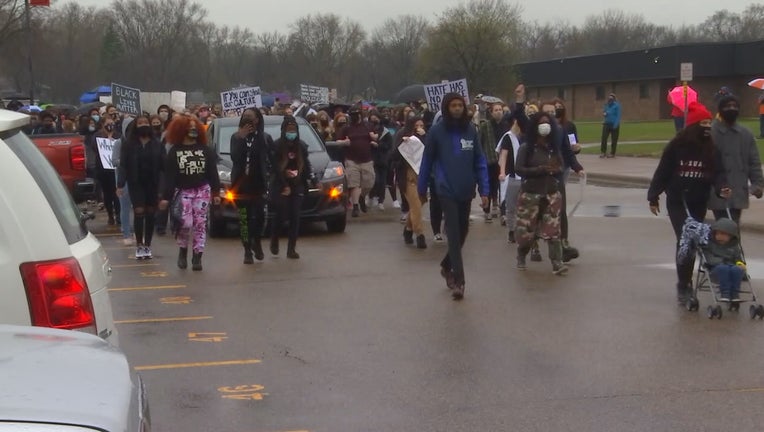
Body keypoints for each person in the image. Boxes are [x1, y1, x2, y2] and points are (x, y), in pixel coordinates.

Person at [647, 101, 730, 303]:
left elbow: (719, 173)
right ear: (693, 125)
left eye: (710, 123)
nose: (707, 128)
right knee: (686, 237)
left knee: (692, 241)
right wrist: (653, 195)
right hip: (678, 201)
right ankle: (683, 284)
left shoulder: (711, 149)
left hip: (697, 201)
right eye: (703, 123)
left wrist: (722, 188)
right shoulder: (676, 146)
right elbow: (663, 172)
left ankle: (687, 280)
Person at [418, 93, 489, 301]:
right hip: (445, 189)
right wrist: (422, 189)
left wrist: (485, 190)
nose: (457, 109)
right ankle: (459, 281)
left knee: (464, 231)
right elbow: (427, 161)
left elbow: (480, 161)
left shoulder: (471, 130)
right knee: (454, 233)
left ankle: (446, 264)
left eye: (460, 105)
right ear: (446, 108)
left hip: (466, 189)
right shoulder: (436, 132)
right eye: (453, 105)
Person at [161, 116, 221, 271]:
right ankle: (183, 251)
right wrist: (166, 197)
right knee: (185, 223)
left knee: (200, 224)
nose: (193, 130)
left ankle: (197, 256)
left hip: (202, 190)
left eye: (195, 127)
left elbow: (212, 172)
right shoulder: (174, 151)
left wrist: (216, 192)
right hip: (182, 191)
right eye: (189, 127)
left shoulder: (205, 150)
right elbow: (170, 177)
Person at [514, 112, 568, 275]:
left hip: (551, 194)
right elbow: (518, 169)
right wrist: (538, 170)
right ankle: (521, 254)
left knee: (553, 231)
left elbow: (561, 165)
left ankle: (556, 262)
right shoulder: (527, 148)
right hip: (530, 195)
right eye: (541, 123)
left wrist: (555, 169)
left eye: (547, 123)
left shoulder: (553, 148)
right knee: (526, 232)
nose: (545, 126)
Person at [707, 95, 764, 223]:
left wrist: (758, 184)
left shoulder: (745, 134)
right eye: (727, 106)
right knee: (724, 228)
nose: (731, 109)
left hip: (738, 189)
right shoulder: (711, 132)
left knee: (732, 227)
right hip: (717, 191)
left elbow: (754, 161)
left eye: (734, 106)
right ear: (720, 110)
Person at [117, 115, 165, 259]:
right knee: (139, 211)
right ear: (135, 126)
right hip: (135, 182)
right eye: (140, 123)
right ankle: (139, 245)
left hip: (153, 183)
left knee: (150, 213)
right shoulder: (129, 144)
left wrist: (163, 188)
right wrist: (120, 184)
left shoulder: (157, 144)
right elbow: (123, 166)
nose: (143, 125)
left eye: (145, 122)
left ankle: (147, 244)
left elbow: (164, 167)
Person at [230, 108, 272, 264]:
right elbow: (235, 158)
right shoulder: (236, 137)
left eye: (251, 117)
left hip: (258, 185)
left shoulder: (264, 138)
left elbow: (270, 159)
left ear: (257, 120)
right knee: (244, 220)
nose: (248, 119)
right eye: (245, 117)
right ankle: (247, 249)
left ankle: (257, 241)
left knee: (260, 218)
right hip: (241, 187)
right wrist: (242, 138)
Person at [269, 116, 314, 259]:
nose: (291, 132)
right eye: (289, 130)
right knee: (281, 214)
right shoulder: (276, 146)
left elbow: (306, 166)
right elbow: (273, 168)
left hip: (297, 185)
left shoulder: (301, 146)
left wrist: (314, 179)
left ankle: (291, 249)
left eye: (294, 130)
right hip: (281, 184)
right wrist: (284, 177)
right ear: (283, 131)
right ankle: (275, 239)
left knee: (295, 216)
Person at [335, 107, 378, 217]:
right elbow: (337, 141)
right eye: (352, 115)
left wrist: (374, 139)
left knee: (369, 183)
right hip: (351, 160)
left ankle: (362, 197)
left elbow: (376, 136)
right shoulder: (346, 128)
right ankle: (355, 207)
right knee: (354, 184)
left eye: (356, 114)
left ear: (360, 115)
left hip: (367, 160)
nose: (354, 117)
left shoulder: (368, 126)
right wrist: (344, 142)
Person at [393, 117, 427, 249]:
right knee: (416, 204)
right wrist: (403, 144)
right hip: (407, 176)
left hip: (422, 176)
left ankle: (408, 229)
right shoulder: (402, 134)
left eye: (421, 125)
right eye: (416, 125)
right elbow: (393, 155)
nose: (419, 128)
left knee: (420, 202)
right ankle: (420, 234)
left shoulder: (425, 136)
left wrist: (425, 137)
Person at [703, 218, 745, 302]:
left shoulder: (734, 247)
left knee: (737, 269)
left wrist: (740, 263)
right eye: (717, 234)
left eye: (723, 234)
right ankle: (725, 293)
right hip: (715, 270)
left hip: (732, 268)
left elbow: (738, 259)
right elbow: (709, 258)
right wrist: (723, 261)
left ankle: (735, 293)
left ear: (731, 236)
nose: (719, 236)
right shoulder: (710, 245)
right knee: (723, 268)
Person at [478, 103, 506, 222]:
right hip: (489, 159)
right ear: (491, 112)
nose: (499, 112)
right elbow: (480, 141)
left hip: (503, 160)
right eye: (496, 110)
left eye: (500, 110)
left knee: (502, 186)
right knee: (488, 185)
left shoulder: (506, 125)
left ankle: (503, 210)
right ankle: (487, 210)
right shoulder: (486, 126)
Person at [112, 118, 135, 246]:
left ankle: (137, 232)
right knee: (125, 207)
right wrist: (127, 162)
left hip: (137, 178)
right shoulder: (119, 143)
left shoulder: (138, 143)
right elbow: (114, 161)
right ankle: (126, 233)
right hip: (123, 179)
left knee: (138, 207)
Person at [94, 116, 121, 225]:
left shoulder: (118, 136)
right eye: (108, 124)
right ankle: (110, 215)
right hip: (103, 170)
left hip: (115, 170)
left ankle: (118, 215)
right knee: (107, 194)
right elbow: (94, 147)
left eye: (112, 124)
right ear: (103, 125)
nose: (110, 126)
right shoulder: (97, 136)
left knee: (117, 194)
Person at [368, 111, 394, 211]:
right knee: (375, 180)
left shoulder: (385, 132)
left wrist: (378, 144)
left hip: (383, 160)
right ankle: (371, 196)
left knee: (382, 182)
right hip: (372, 159)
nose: (374, 121)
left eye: (376, 118)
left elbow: (389, 145)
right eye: (372, 119)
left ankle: (381, 201)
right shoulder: (368, 131)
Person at [600, 93, 621, 158]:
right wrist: (604, 114)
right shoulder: (606, 105)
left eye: (611, 99)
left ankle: (612, 153)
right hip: (606, 124)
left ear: (614, 99)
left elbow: (618, 115)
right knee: (604, 138)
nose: (610, 100)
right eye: (609, 99)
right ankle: (603, 152)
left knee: (614, 139)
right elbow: (604, 112)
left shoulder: (617, 106)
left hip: (614, 124)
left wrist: (616, 124)